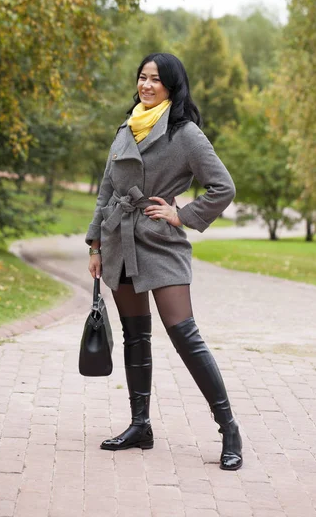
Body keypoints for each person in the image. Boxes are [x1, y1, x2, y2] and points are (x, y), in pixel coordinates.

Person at [86, 52, 242, 471]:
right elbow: (105, 190)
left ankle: (228, 428)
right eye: (141, 77)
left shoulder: (185, 133)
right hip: (120, 243)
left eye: (156, 79)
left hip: (161, 243)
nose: (146, 85)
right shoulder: (126, 128)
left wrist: (182, 215)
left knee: (185, 336)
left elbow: (222, 187)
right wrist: (95, 245)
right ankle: (140, 426)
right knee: (136, 336)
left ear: (172, 86)